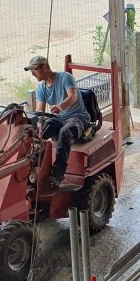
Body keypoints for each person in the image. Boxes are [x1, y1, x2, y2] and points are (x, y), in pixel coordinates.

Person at [25, 55, 91, 185]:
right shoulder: (41, 88)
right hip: (59, 118)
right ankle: (34, 168)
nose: (33, 74)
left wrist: (60, 106)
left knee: (65, 132)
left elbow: (73, 97)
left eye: (34, 70)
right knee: (40, 133)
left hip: (77, 117)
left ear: (44, 67)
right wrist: (38, 123)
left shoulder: (65, 77)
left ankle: (58, 173)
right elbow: (40, 112)